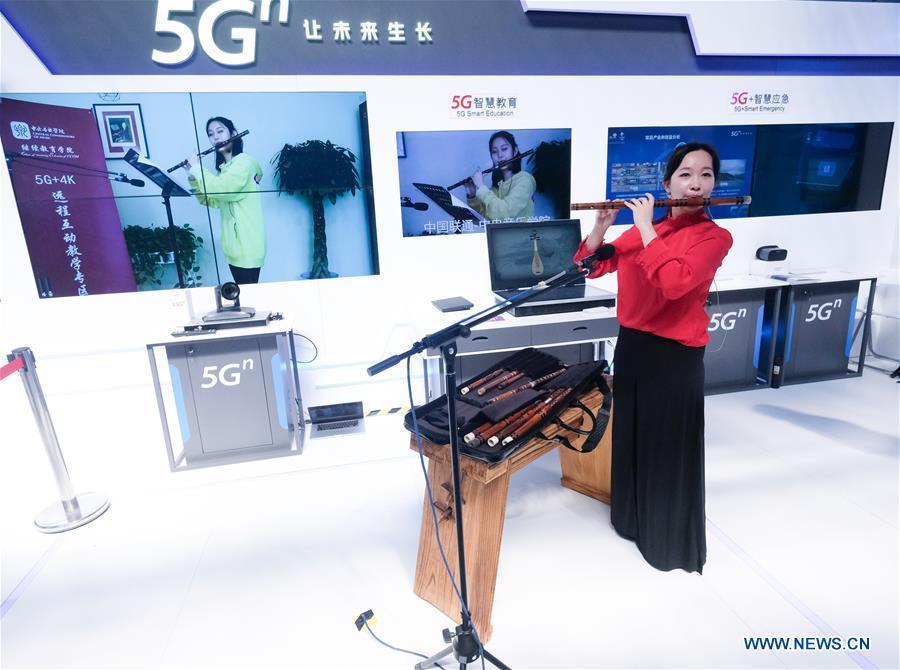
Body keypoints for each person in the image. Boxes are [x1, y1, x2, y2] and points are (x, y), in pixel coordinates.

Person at [574, 142, 733, 574]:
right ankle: (631, 521)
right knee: (632, 435)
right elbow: (593, 265)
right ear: (667, 184)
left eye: (705, 174)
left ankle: (668, 543)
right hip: (634, 346)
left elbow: (675, 282)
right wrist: (599, 229)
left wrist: (646, 229)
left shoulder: (715, 237)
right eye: (685, 174)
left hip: (675, 355)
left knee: (666, 446)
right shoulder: (646, 230)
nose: (696, 183)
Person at [183, 117, 264, 285]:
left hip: (247, 247)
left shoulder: (244, 164)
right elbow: (211, 200)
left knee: (249, 296)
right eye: (211, 134)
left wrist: (197, 168)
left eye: (220, 131)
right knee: (242, 295)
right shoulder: (226, 171)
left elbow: (221, 188)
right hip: (234, 249)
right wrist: (192, 177)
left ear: (233, 134)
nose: (216, 137)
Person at [465, 130, 536, 221]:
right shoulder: (496, 188)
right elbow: (486, 218)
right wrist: (472, 196)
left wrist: (481, 186)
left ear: (514, 151)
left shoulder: (525, 180)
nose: (500, 155)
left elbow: (504, 213)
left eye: (504, 149)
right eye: (494, 151)